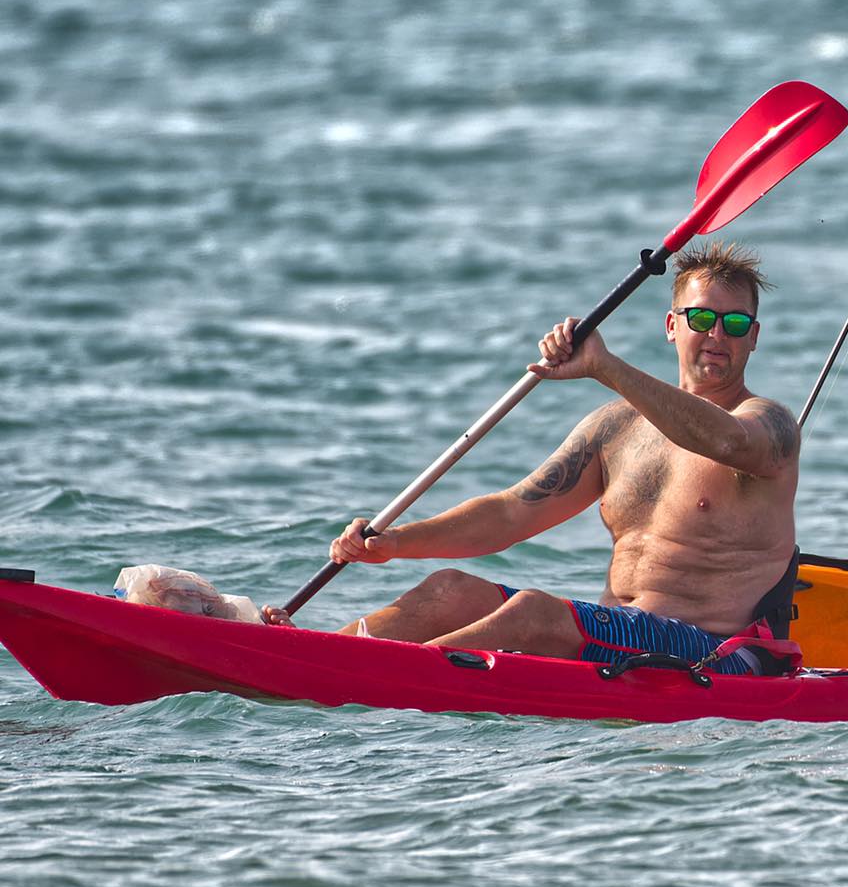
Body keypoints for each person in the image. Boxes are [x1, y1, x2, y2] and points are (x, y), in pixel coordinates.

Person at [263, 242, 801, 674]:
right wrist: (396, 543)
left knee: (534, 614)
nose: (716, 335)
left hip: (717, 653)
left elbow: (727, 442)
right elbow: (511, 513)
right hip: (617, 633)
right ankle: (311, 655)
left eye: (734, 325)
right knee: (451, 590)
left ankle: (356, 675)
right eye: (702, 317)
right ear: (671, 325)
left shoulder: (769, 426)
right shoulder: (616, 428)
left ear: (753, 339)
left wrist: (606, 366)